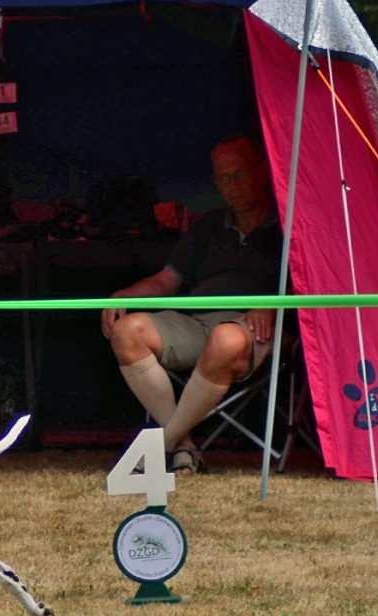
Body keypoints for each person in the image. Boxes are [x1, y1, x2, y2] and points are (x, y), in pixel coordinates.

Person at [101, 134, 283, 475]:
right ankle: (182, 447)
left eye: (240, 174)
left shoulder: (289, 224)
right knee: (127, 331)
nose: (233, 185)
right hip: (197, 321)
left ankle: (160, 448)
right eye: (223, 178)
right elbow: (167, 281)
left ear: (262, 171)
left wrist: (273, 304)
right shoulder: (210, 225)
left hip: (255, 328)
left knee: (226, 339)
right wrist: (121, 295)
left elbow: (309, 282)